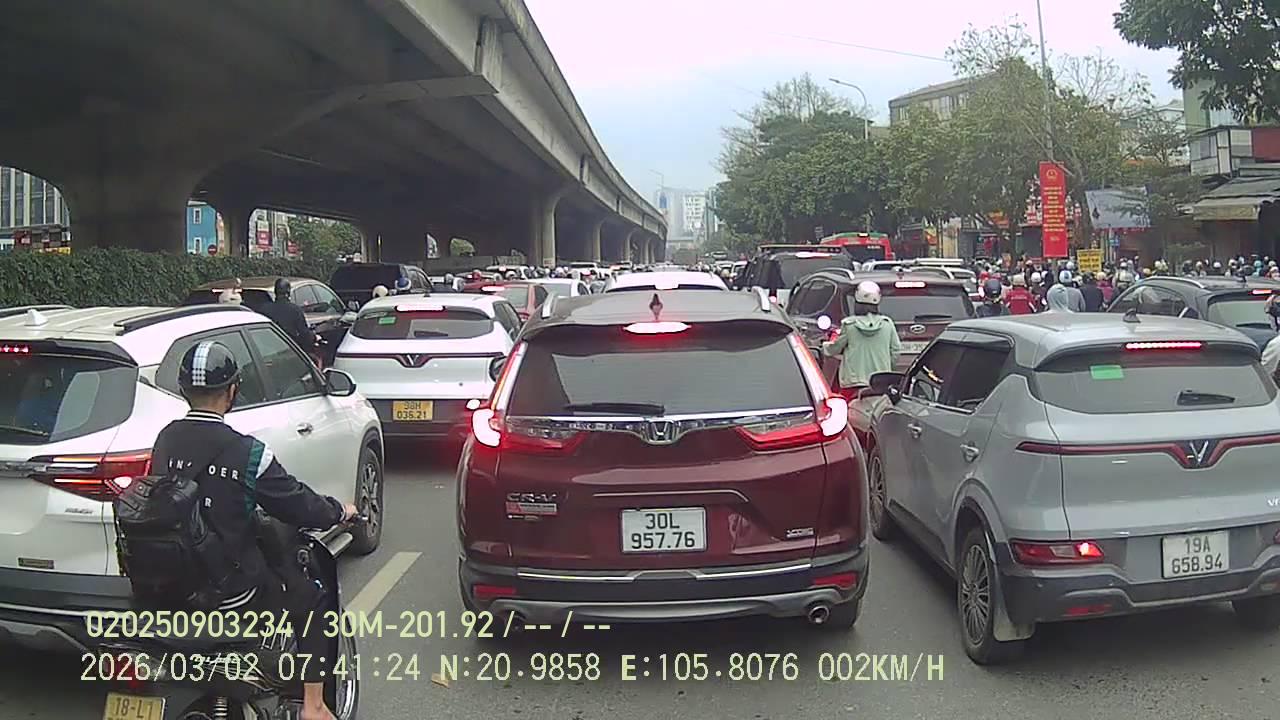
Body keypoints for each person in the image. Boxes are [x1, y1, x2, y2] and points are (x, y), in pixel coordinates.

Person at [150, 342, 359, 720]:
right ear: (233, 391)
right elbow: (297, 503)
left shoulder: (164, 440)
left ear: (183, 389)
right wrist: (339, 510)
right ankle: (314, 705)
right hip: (231, 591)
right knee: (313, 594)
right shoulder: (247, 452)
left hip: (170, 582)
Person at [821, 281, 901, 399]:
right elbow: (896, 351)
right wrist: (887, 368)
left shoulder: (849, 325)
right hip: (880, 383)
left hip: (853, 382)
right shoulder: (887, 324)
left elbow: (835, 348)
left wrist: (824, 346)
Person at [259, 279, 316, 357]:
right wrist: (314, 337)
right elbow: (304, 335)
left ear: (275, 292)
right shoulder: (296, 310)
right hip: (289, 352)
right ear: (289, 292)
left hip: (266, 352)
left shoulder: (264, 309)